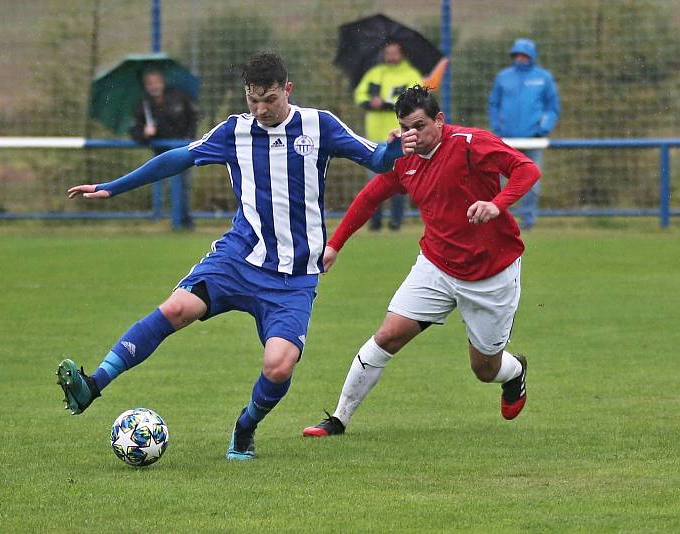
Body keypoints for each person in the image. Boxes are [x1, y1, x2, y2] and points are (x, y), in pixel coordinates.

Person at [56, 52, 417, 461]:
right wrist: (113, 187)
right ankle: (94, 384)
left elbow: (374, 159)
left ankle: (245, 427)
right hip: (238, 259)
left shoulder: (320, 125)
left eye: (269, 99)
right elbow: (179, 157)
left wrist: (393, 150)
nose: (261, 109)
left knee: (278, 366)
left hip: (293, 278)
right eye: (253, 100)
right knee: (176, 308)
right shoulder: (234, 132)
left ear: (288, 90)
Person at [302, 85, 540, 438]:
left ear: (439, 120)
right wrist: (335, 244)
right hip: (437, 266)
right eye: (405, 128)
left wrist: (496, 204)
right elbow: (370, 197)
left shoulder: (471, 144)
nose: (412, 135)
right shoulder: (405, 157)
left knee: (485, 369)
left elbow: (526, 169)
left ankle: (515, 372)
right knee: (387, 336)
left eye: (419, 126)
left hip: (491, 273)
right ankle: (338, 419)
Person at [354, 41, 446, 231]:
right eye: (388, 52)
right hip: (374, 135)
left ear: (402, 54)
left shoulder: (410, 74)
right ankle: (375, 222)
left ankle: (396, 221)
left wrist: (387, 104)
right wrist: (371, 102)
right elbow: (360, 95)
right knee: (374, 180)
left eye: (394, 52)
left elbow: (416, 102)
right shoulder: (375, 73)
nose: (391, 56)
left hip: (402, 136)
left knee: (399, 180)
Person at [488, 38, 559, 230]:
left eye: (524, 55)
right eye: (517, 55)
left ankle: (528, 221)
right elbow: (493, 104)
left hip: (533, 141)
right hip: (507, 140)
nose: (520, 58)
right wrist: (498, 127)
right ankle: (500, 220)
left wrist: (542, 129)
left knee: (532, 185)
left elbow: (552, 108)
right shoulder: (503, 77)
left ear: (532, 56)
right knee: (501, 183)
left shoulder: (543, 77)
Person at [130, 68, 198, 228]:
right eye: (149, 83)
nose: (154, 86)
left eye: (156, 81)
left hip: (183, 149)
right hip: (161, 154)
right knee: (169, 186)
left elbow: (193, 118)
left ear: (163, 81)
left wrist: (189, 139)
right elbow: (135, 132)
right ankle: (174, 220)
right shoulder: (142, 105)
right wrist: (146, 133)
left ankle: (184, 221)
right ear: (145, 85)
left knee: (183, 185)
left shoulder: (179, 96)